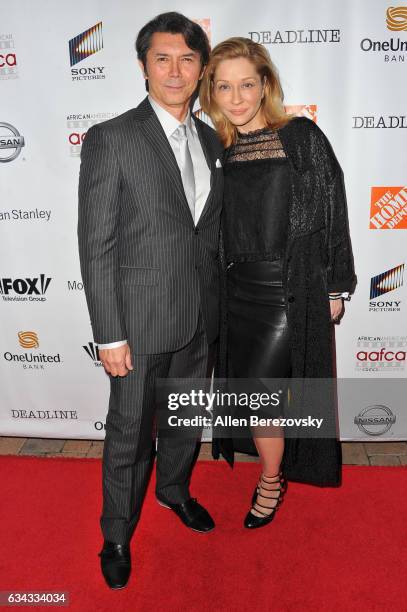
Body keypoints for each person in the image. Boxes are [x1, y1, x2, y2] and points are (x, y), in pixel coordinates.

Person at [78, 12, 223, 589]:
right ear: (143, 65)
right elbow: (97, 244)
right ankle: (116, 533)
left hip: (197, 320)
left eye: (187, 59)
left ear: (201, 69)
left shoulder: (212, 138)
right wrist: (109, 334)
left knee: (186, 423)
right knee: (129, 432)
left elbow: (206, 233)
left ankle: (174, 492)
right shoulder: (111, 138)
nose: (175, 70)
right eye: (162, 58)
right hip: (137, 324)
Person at [200, 37, 356, 529]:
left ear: (265, 84)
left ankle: (270, 480)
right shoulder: (217, 147)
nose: (237, 97)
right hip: (235, 293)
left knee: (262, 396)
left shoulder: (301, 136)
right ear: (212, 92)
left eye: (247, 84)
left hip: (286, 293)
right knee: (252, 396)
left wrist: (336, 286)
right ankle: (272, 469)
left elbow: (333, 208)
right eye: (224, 87)